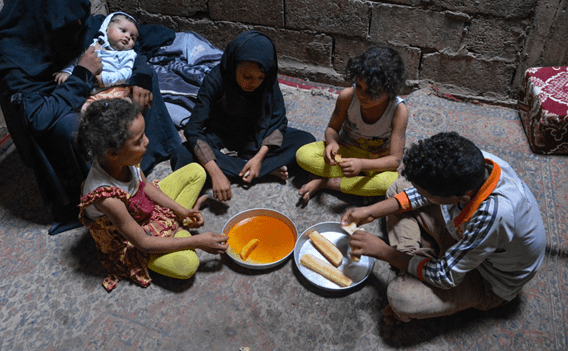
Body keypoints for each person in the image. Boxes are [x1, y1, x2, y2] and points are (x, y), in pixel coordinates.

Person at [0, 0, 181, 234]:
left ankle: (140, 160)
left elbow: (122, 42)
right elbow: (38, 117)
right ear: (47, 19)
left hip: (86, 82)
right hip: (53, 103)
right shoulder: (13, 58)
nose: (80, 27)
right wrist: (82, 75)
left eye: (82, 19)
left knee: (140, 80)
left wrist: (142, 76)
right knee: (75, 128)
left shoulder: (74, 20)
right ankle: (103, 189)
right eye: (72, 24)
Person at [341, 132, 546, 323]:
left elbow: (446, 277)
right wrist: (371, 212)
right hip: (465, 237)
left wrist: (384, 251)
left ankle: (414, 265)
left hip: (487, 276)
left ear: (461, 198)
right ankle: (417, 264)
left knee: (400, 298)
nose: (422, 194)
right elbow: (422, 194)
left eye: (429, 194)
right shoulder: (475, 164)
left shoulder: (495, 214)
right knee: (397, 188)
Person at [77, 99, 228, 292]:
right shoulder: (108, 198)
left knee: (196, 172)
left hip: (141, 205)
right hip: (130, 234)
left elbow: (145, 185)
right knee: (187, 265)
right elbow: (143, 243)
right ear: (113, 153)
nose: (147, 142)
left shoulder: (124, 159)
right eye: (139, 141)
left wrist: (182, 211)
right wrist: (198, 241)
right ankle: (177, 232)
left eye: (144, 135)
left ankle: (175, 228)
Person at [171, 31, 316, 201]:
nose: (253, 83)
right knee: (181, 155)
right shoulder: (216, 79)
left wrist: (259, 158)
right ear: (234, 65)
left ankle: (250, 167)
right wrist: (215, 173)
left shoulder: (268, 81)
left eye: (259, 77)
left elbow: (279, 122)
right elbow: (193, 128)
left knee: (306, 141)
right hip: (220, 136)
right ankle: (259, 171)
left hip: (256, 135)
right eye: (247, 76)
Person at [296, 46, 408, 203]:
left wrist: (362, 164)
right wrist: (332, 143)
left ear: (389, 90)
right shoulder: (347, 96)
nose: (362, 94)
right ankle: (351, 180)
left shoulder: (398, 111)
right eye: (360, 86)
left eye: (372, 92)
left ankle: (326, 182)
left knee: (389, 182)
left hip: (374, 158)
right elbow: (331, 129)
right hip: (345, 151)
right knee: (303, 155)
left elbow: (395, 160)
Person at [54, 12, 141, 111]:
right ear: (106, 28)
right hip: (91, 94)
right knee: (83, 108)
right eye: (123, 30)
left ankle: (115, 113)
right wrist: (67, 72)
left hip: (114, 89)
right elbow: (78, 62)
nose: (128, 37)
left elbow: (127, 73)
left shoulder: (128, 54)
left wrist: (105, 79)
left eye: (133, 37)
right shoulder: (93, 46)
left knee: (128, 102)